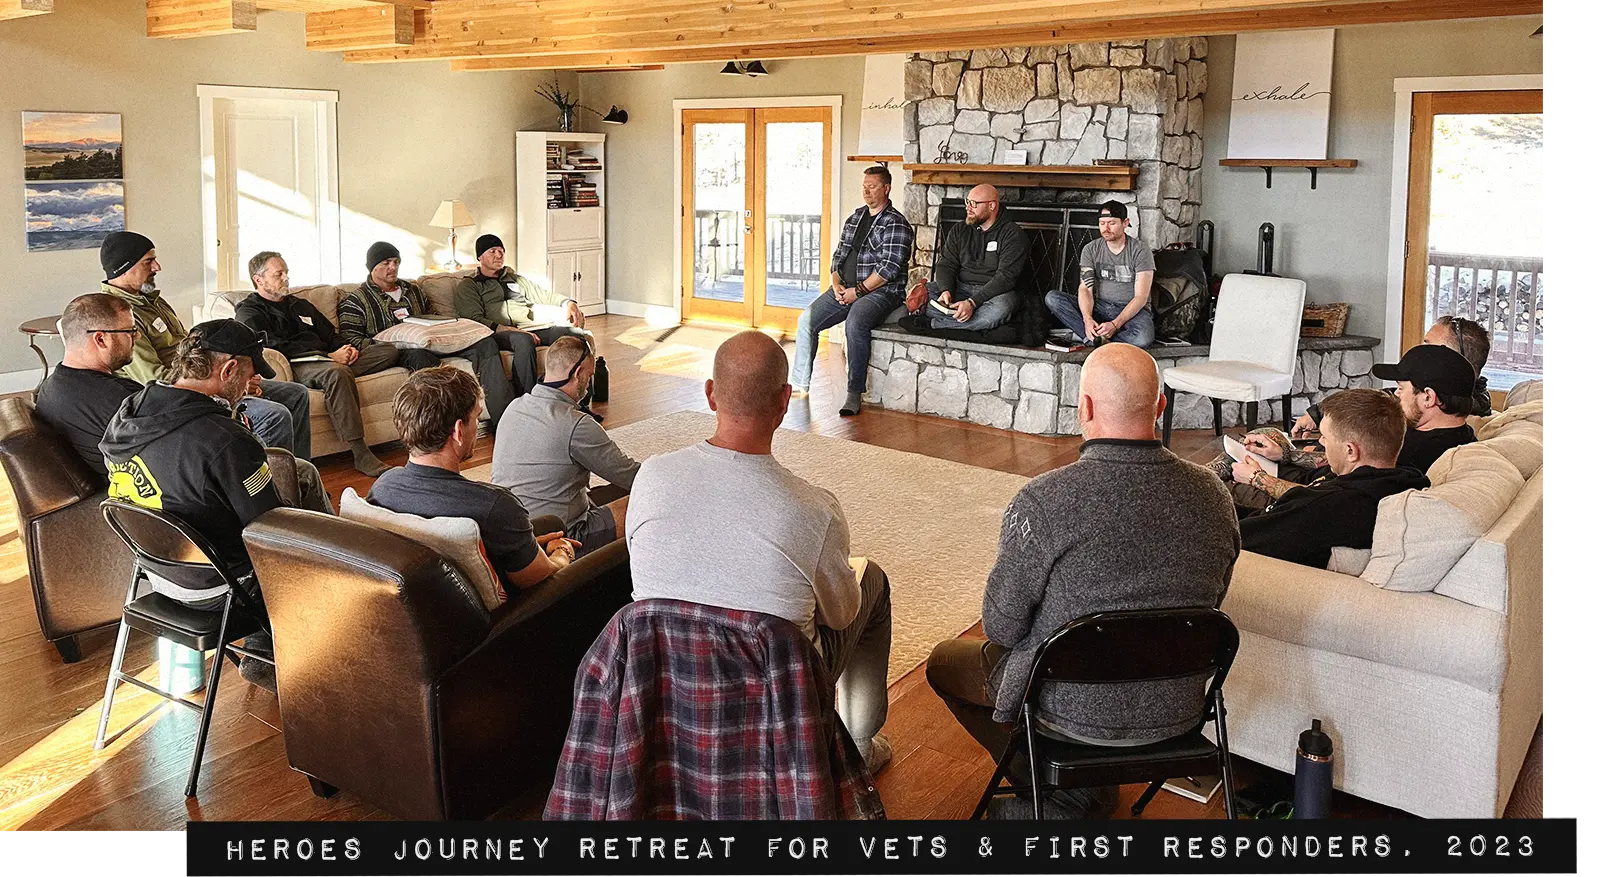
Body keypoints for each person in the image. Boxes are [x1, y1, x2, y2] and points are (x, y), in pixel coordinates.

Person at [924, 343, 1240, 819]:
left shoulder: (1043, 501)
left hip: (1065, 712)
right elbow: (1213, 598)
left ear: (1084, 408)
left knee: (945, 661)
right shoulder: (1215, 498)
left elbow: (1001, 628)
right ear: (1160, 407)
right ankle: (1086, 788)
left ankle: (1066, 795)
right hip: (1178, 710)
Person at [626, 331, 895, 773]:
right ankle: (859, 747)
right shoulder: (813, 510)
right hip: (776, 697)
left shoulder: (650, 476)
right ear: (785, 400)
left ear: (710, 394)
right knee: (874, 582)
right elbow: (842, 616)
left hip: (668, 683)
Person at [100, 321, 300, 691]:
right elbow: (271, 530)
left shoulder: (128, 414)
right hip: (218, 591)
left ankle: (267, 648)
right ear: (228, 370)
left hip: (157, 573)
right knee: (305, 549)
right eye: (249, 375)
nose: (252, 384)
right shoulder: (225, 439)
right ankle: (274, 653)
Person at [36, 296, 333, 514]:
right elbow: (267, 523)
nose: (136, 338)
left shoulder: (50, 389)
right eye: (130, 332)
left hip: (141, 514)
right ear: (100, 340)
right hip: (196, 522)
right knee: (301, 472)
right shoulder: (125, 401)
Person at [98, 231, 312, 459]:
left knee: (296, 394)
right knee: (274, 415)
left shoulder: (154, 301)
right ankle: (267, 478)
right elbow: (154, 378)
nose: (157, 267)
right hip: (188, 395)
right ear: (125, 267)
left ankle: (297, 472)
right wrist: (227, 382)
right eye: (148, 261)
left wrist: (239, 375)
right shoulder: (120, 316)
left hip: (210, 377)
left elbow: (192, 348)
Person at [365, 367, 578, 590]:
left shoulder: (383, 488)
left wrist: (526, 547)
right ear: (458, 431)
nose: (477, 425)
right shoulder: (495, 506)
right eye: (477, 417)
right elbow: (541, 579)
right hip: (522, 609)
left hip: (435, 598)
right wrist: (562, 551)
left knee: (552, 523)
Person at [1224, 345, 1478, 509]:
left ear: (1429, 397)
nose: (1395, 394)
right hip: (1309, 482)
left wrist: (1259, 479)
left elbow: (1331, 501)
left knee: (1218, 486)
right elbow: (1345, 460)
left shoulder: (1417, 454)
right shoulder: (1427, 430)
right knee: (1254, 443)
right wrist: (1287, 454)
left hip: (1297, 500)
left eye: (1401, 389)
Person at [233, 251, 403, 476]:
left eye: (286, 272)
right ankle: (361, 453)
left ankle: (338, 373)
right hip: (298, 364)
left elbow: (330, 334)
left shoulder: (300, 305)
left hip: (328, 359)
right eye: (279, 274)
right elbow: (271, 347)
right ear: (259, 279)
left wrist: (346, 349)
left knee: (388, 351)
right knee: (338, 373)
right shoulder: (250, 311)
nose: (286, 278)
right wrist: (330, 356)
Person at [1239, 388, 1430, 569]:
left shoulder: (1325, 507)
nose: (1320, 442)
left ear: (1350, 451)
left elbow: (1238, 537)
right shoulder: (1406, 479)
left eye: (1324, 437)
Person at [337, 241, 518, 427]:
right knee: (421, 358)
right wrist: (387, 344)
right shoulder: (356, 301)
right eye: (386, 263)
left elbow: (433, 316)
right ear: (372, 267)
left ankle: (506, 423)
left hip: (434, 341)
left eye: (396, 262)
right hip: (404, 352)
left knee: (486, 343)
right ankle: (447, 426)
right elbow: (351, 339)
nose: (393, 267)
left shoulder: (413, 291)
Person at [491, 336, 638, 558]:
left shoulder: (514, 407)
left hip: (514, 533)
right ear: (578, 374)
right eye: (589, 376)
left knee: (602, 494)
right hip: (561, 538)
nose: (589, 384)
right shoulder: (576, 424)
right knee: (647, 501)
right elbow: (629, 475)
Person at [789, 166, 914, 416]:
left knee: (855, 323)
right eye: (864, 186)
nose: (866, 191)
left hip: (881, 292)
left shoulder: (896, 223)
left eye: (872, 186)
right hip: (845, 287)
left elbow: (889, 269)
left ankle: (854, 392)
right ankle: (799, 384)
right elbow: (838, 256)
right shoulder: (856, 217)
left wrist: (857, 292)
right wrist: (836, 282)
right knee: (806, 321)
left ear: (886, 189)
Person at [454, 233, 586, 396]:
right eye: (492, 251)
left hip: (530, 327)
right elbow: (473, 319)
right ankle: (527, 399)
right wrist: (511, 330)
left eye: (501, 251)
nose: (499, 255)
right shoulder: (470, 285)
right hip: (497, 333)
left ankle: (579, 397)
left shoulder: (515, 279)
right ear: (480, 256)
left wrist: (568, 302)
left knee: (575, 335)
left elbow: (543, 295)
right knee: (523, 340)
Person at [909, 183, 1027, 335]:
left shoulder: (1013, 234)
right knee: (925, 294)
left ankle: (937, 324)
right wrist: (946, 290)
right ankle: (972, 324)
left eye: (974, 204)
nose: (968, 208)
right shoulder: (960, 229)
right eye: (967, 202)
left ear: (991, 206)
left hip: (994, 294)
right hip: (961, 288)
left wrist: (972, 303)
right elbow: (946, 264)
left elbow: (1005, 278)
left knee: (1003, 307)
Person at [1044, 200, 1156, 348]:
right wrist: (1087, 319)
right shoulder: (1090, 249)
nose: (1106, 228)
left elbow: (1141, 297)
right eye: (1102, 223)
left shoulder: (1140, 250)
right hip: (1100, 306)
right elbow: (1085, 288)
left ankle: (1090, 338)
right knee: (1053, 298)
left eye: (1111, 223)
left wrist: (1115, 324)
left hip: (1132, 311)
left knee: (1143, 339)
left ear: (1125, 223)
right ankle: (1092, 335)